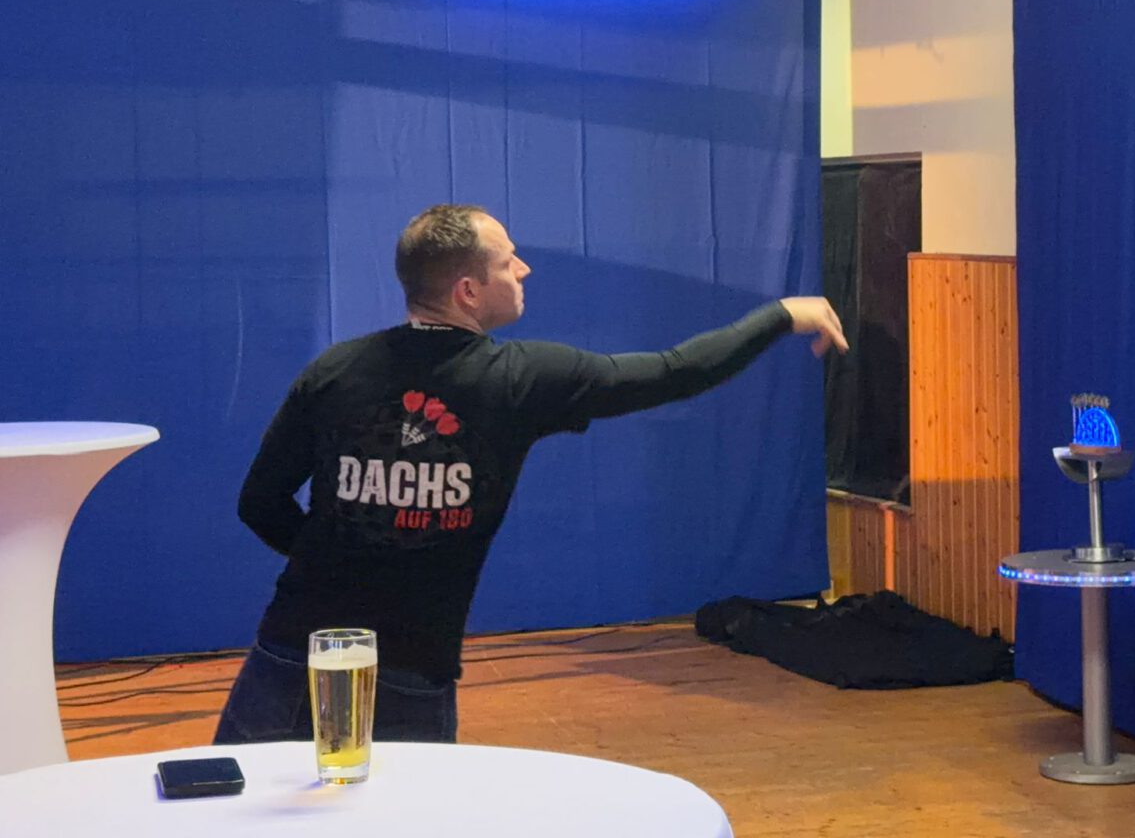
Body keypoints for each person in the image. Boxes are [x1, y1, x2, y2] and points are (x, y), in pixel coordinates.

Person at [214, 203, 846, 744]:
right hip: (407, 668)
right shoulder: (521, 380)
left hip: (293, 649)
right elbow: (677, 371)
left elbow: (259, 503)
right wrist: (782, 314)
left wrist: (342, 559)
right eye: (508, 261)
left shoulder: (335, 370)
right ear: (468, 290)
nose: (524, 269)